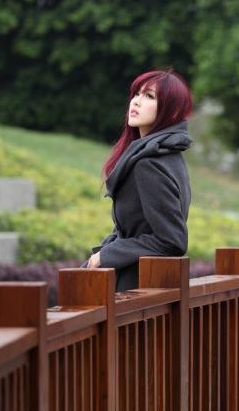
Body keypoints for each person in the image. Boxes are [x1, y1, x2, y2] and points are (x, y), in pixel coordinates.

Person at [81, 68, 193, 291]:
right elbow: (136, 228)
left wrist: (108, 255)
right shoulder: (167, 156)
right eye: (136, 94)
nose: (136, 102)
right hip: (145, 284)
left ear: (170, 112)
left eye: (149, 96)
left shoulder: (148, 164)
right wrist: (101, 253)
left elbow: (172, 240)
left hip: (136, 288)